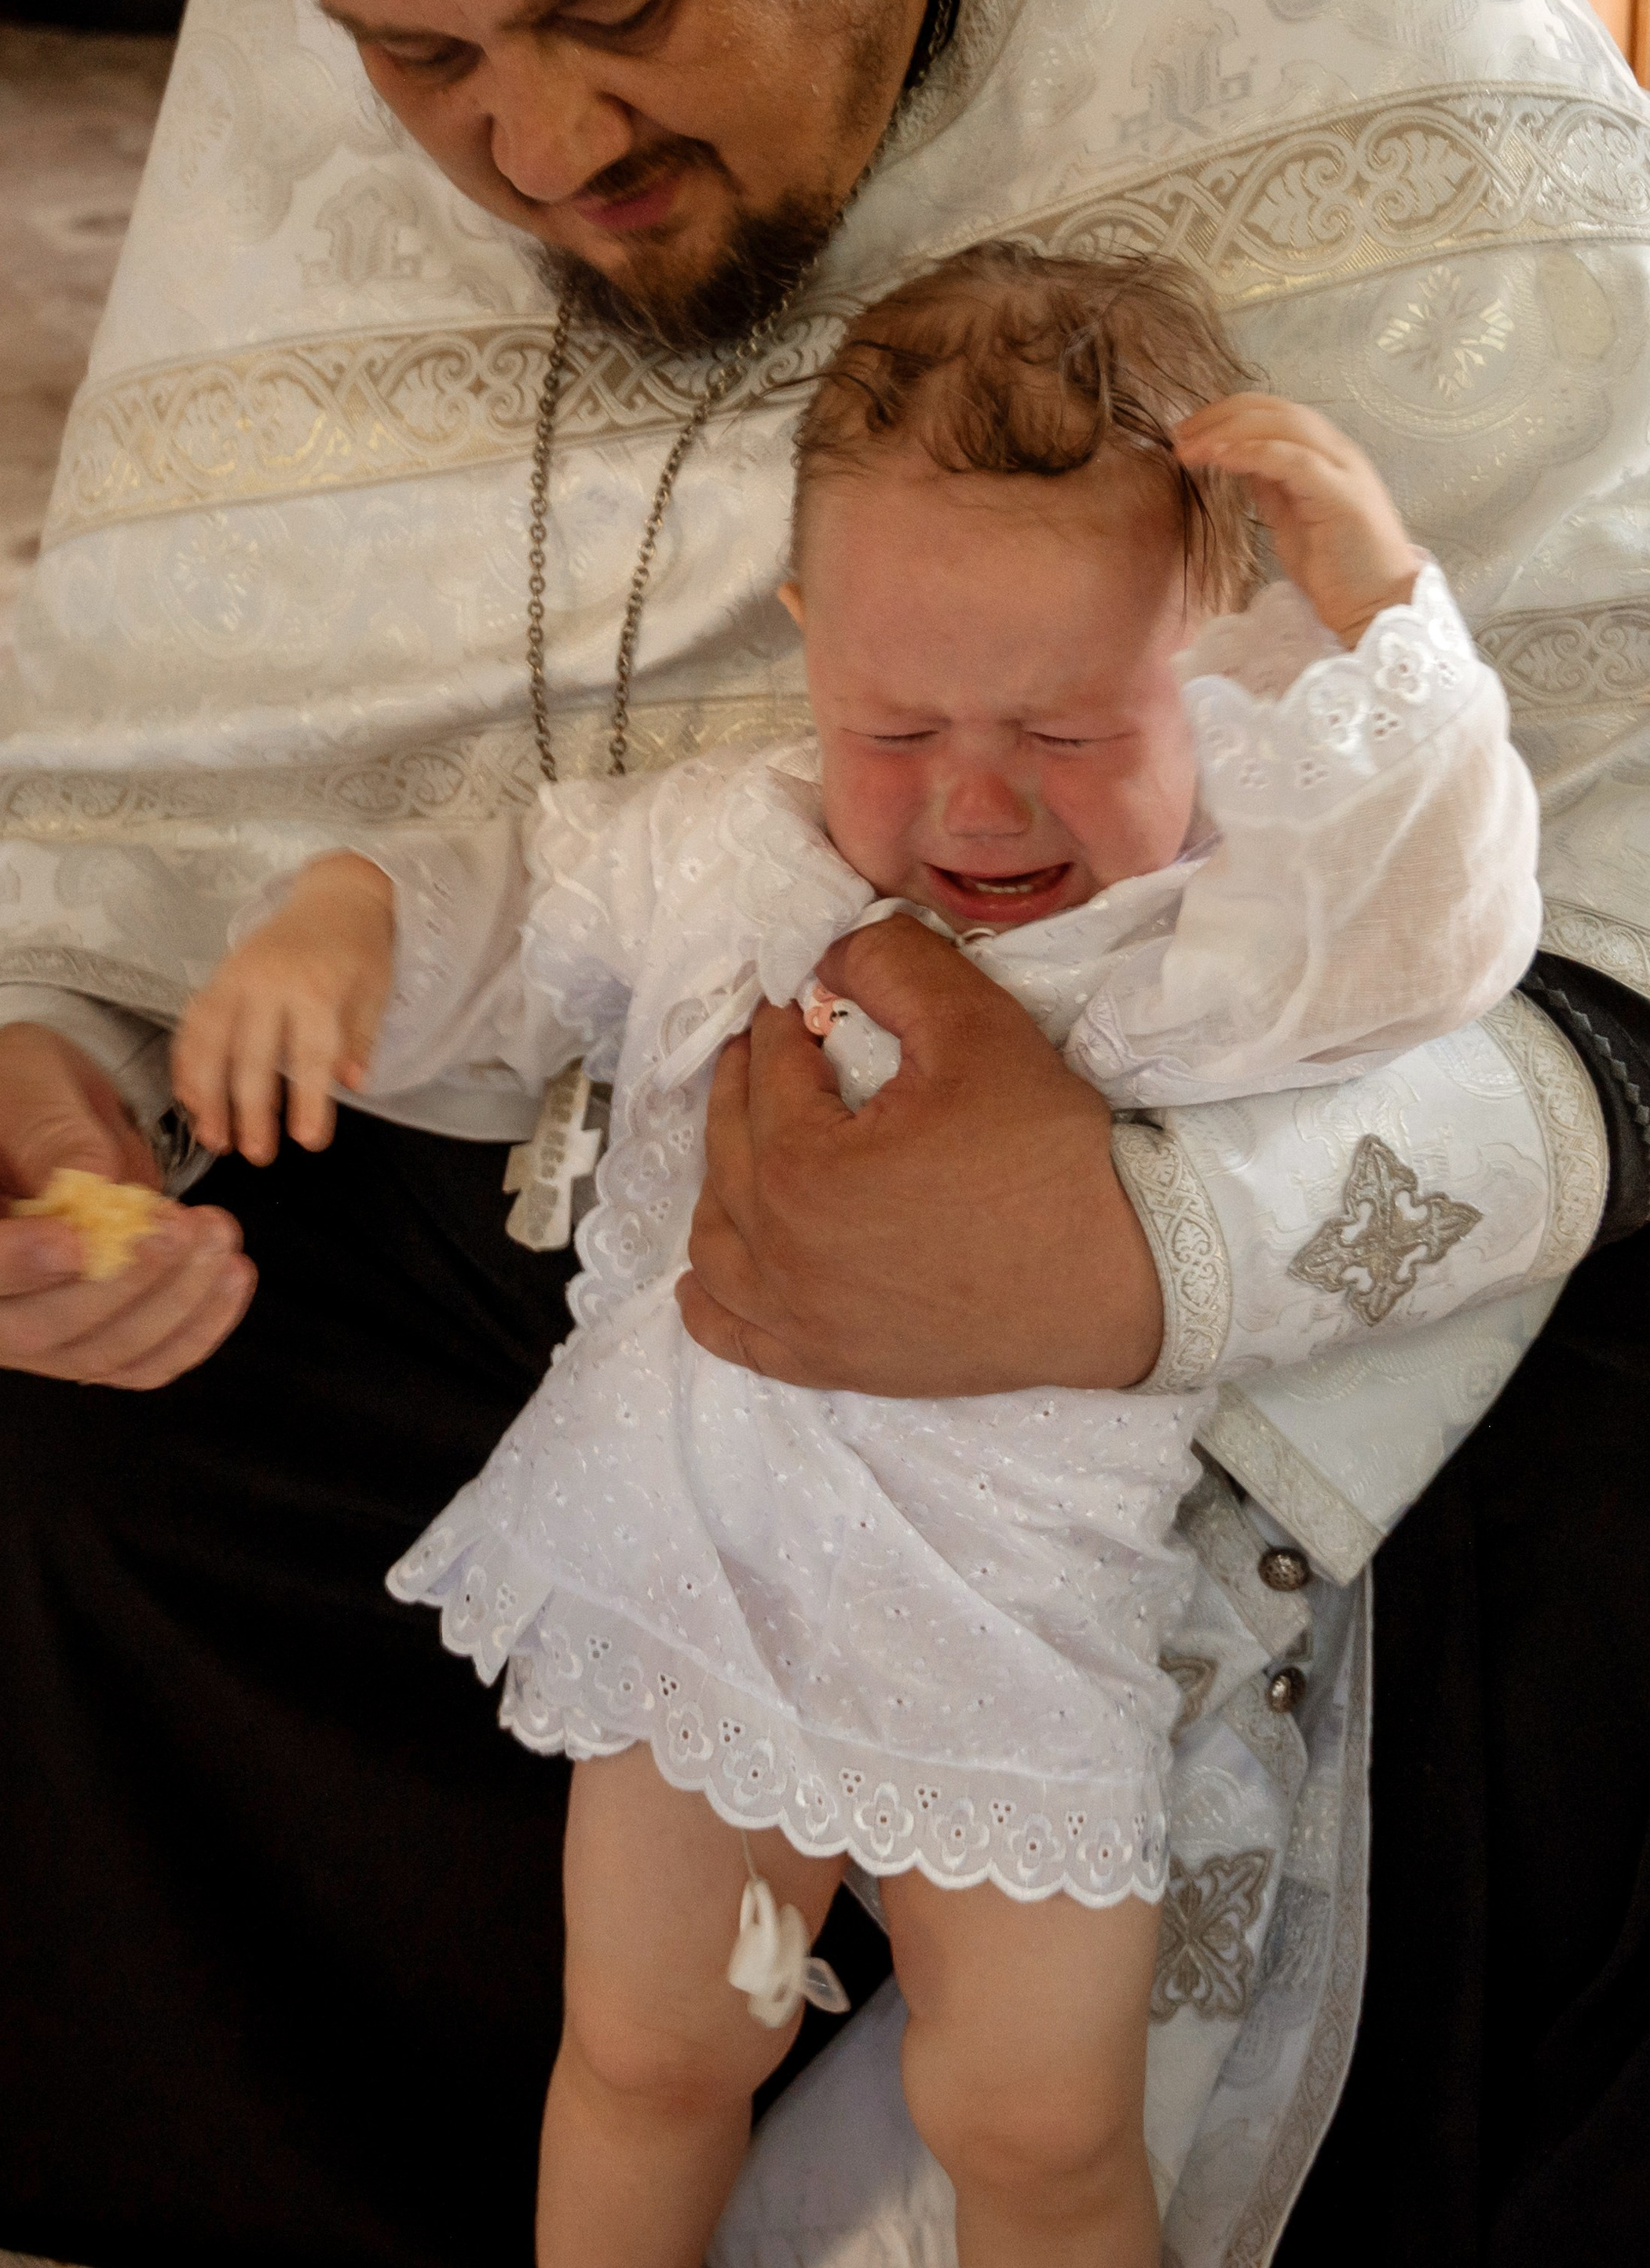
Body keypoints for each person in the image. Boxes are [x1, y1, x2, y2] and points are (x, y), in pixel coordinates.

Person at [0, 0, 1650, 2268]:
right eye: (414, 62)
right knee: (111, 1470)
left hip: (1235, 1179)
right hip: (653, 1225)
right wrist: (51, 1036)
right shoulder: (394, 34)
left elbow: (1564, 834)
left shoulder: (1310, 41)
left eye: (616, 5)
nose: (530, 147)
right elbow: (231, 800)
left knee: (1575, 1609)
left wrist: (1125, 1241)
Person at [172, 243, 1542, 2268]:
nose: (976, 798)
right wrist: (341, 916)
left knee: (1034, 2117)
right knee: (642, 2051)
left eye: (1070, 731)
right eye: (893, 721)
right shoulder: (732, 846)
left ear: (1213, 664)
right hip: (689, 1559)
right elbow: (521, 894)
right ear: (808, 641)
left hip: (1005, 1625)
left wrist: (1387, 621)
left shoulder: (1206, 938)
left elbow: (1446, 926)